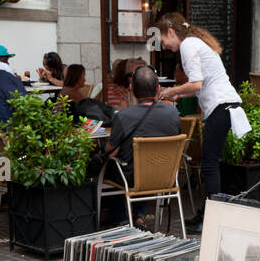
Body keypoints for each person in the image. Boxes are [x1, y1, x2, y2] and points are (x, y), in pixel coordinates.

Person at [156, 12, 245, 214]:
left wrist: (172, 90)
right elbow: (200, 86)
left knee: (209, 165)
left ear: (170, 32)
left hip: (220, 106)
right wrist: (178, 96)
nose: (163, 47)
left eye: (162, 40)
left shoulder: (188, 45)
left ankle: (211, 217)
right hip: (224, 105)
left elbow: (196, 84)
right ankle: (208, 213)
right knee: (211, 163)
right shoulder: (194, 42)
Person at [101, 64, 182, 226]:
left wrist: (111, 150)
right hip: (165, 176)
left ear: (131, 88)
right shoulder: (173, 113)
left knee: (111, 166)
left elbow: (109, 148)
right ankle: (139, 214)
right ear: (158, 88)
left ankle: (121, 218)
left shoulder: (124, 116)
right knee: (142, 163)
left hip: (132, 177)